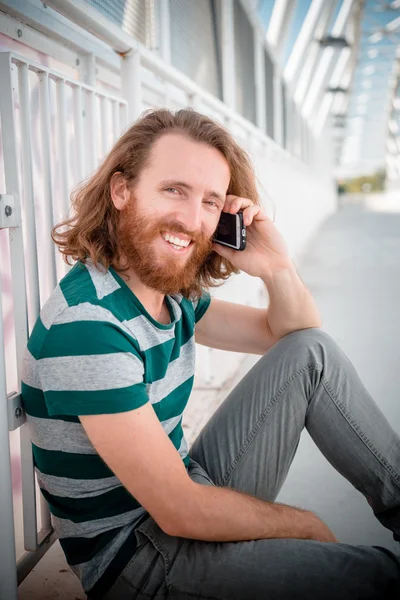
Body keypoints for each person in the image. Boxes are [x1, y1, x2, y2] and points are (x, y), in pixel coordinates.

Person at [21, 108, 400, 600]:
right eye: (173, 189)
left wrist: (276, 268)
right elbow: (179, 510)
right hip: (138, 558)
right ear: (121, 191)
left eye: (210, 201)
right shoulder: (90, 327)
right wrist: (302, 524)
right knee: (373, 576)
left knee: (313, 353)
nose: (191, 218)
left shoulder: (166, 292)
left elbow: (290, 334)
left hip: (181, 496)